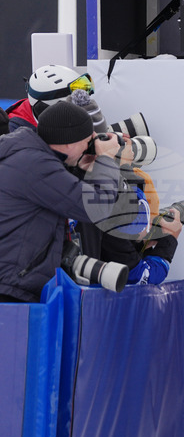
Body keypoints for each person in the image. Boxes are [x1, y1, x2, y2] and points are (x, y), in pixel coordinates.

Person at [0, 101, 138, 302]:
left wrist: (79, 168)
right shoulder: (36, 165)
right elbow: (97, 208)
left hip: (11, 284)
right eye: (88, 141)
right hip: (10, 290)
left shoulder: (26, 156)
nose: (90, 146)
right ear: (67, 143)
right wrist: (106, 160)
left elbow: (61, 195)